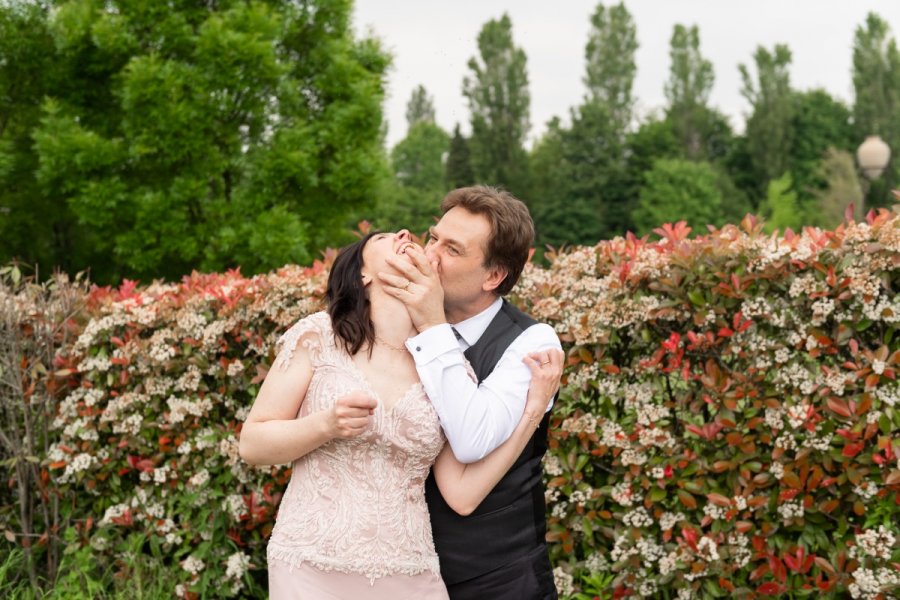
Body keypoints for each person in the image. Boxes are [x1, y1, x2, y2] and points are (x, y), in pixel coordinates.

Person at [238, 230, 563, 600]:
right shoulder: (319, 336)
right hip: (312, 562)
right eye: (385, 237)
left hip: (409, 571)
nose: (407, 235)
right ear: (364, 275)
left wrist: (533, 412)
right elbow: (252, 444)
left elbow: (463, 494)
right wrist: (324, 425)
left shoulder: (445, 368)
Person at [377, 186, 563, 600]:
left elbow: (470, 440)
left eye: (453, 250)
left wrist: (430, 327)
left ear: (493, 276)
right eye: (433, 238)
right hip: (398, 574)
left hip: (500, 578)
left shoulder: (532, 343)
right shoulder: (394, 325)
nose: (429, 256)